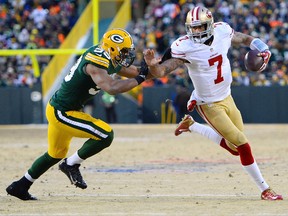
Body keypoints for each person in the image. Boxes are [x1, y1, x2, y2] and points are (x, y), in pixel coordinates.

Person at [144, 6, 282, 201]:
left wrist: (262, 48)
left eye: (200, 27)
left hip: (227, 96)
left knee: (235, 148)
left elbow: (244, 39)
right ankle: (265, 189)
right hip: (208, 103)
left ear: (209, 25)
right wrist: (152, 66)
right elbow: (162, 71)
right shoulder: (184, 46)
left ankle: (191, 126)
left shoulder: (222, 31)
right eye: (192, 28)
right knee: (242, 144)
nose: (196, 32)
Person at [6, 28, 150, 200]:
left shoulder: (107, 55)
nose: (127, 54)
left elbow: (133, 71)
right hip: (63, 112)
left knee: (55, 153)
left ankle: (20, 186)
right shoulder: (96, 62)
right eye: (124, 51)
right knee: (105, 134)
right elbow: (111, 88)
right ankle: (71, 164)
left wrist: (151, 67)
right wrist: (142, 78)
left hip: (61, 108)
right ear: (112, 49)